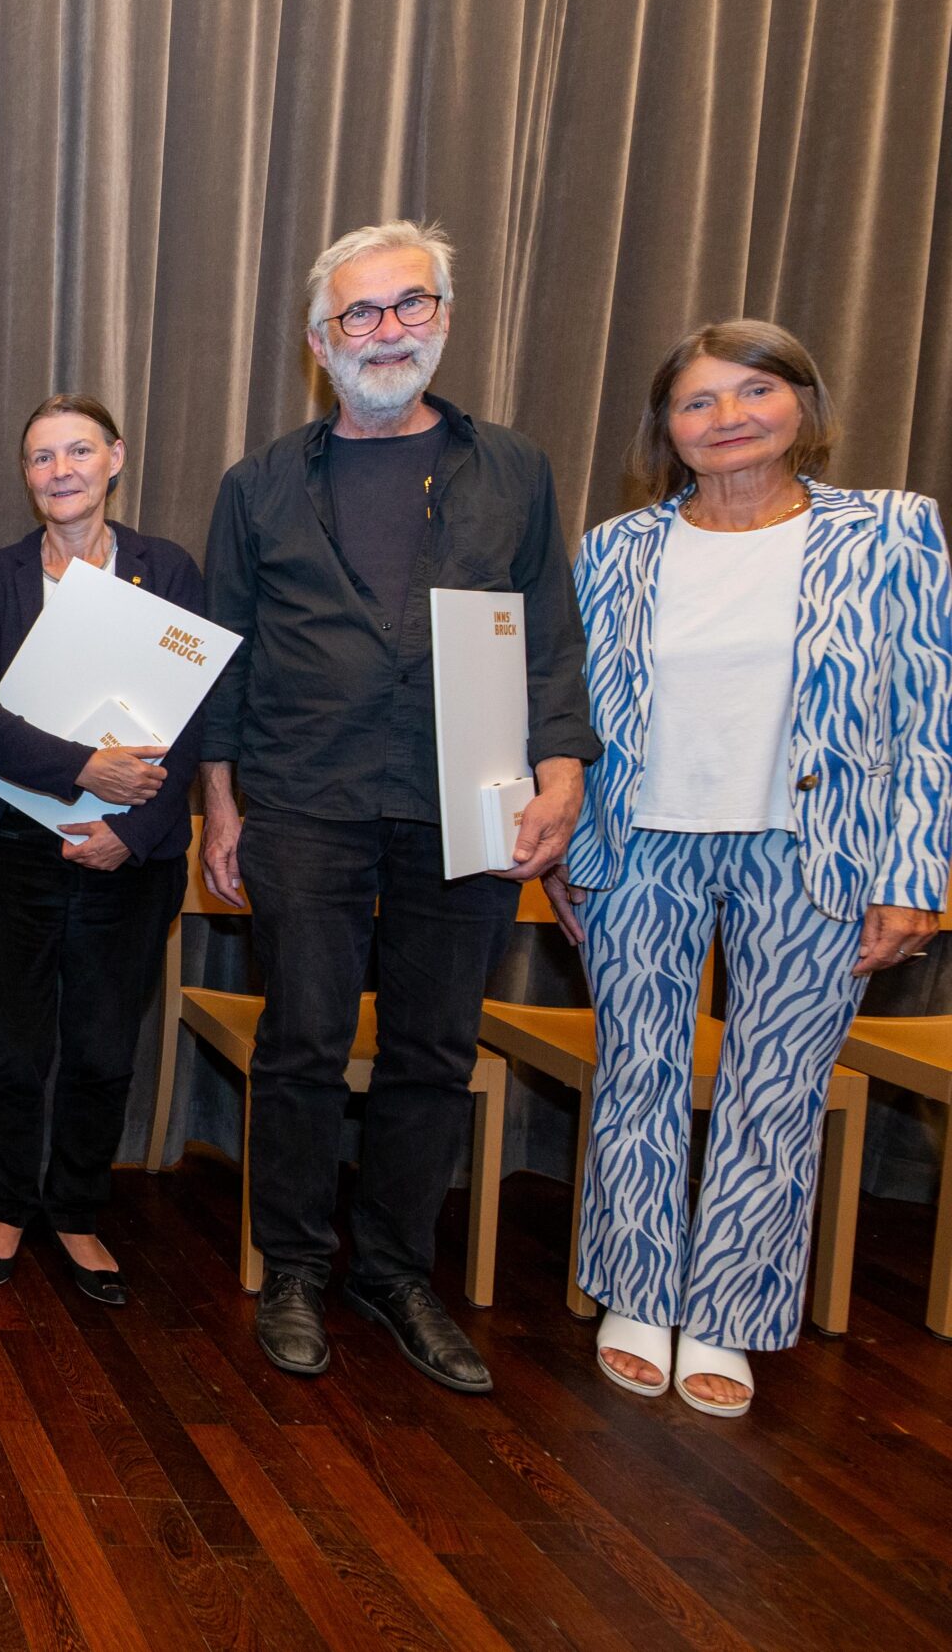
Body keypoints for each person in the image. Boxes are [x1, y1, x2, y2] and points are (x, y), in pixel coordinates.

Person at [197, 220, 598, 1392]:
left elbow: (552, 639)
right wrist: (219, 807)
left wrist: (562, 770)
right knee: (304, 1043)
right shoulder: (259, 482)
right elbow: (224, 656)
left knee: (430, 1048)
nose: (386, 332)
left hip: (464, 802)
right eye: (359, 316)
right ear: (320, 344)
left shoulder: (513, 468)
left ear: (442, 318)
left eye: (407, 306)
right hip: (303, 796)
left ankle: (393, 1270)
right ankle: (293, 1267)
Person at [555, 321, 951, 1416]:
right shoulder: (615, 548)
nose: (726, 416)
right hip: (642, 844)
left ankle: (726, 1312)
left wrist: (913, 872)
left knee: (773, 1092)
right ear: (665, 431)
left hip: (812, 851)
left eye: (753, 390)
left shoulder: (890, 534)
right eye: (697, 401)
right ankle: (637, 1292)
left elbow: (926, 720)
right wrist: (569, 855)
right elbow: (579, 720)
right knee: (638, 1073)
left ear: (803, 407)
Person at [0, 395, 206, 1304]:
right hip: (12, 850)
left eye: (77, 451)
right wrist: (85, 768)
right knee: (12, 1045)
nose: (59, 470)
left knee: (101, 1045)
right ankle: (9, 1206)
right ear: (25, 476)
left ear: (115, 458)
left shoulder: (167, 570)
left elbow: (199, 714)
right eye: (40, 457)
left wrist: (128, 829)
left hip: (128, 857)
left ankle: (77, 1211)